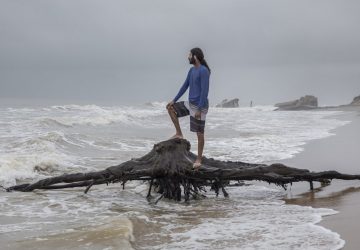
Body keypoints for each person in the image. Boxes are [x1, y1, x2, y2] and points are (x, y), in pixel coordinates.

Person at [166, 47, 210, 169]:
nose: (188, 57)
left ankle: (199, 159)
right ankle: (179, 133)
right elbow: (184, 86)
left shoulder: (203, 71)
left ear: (195, 56)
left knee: (199, 133)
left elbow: (204, 92)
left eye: (189, 55)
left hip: (200, 106)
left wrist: (200, 109)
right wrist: (174, 100)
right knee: (170, 108)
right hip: (190, 104)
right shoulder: (191, 71)